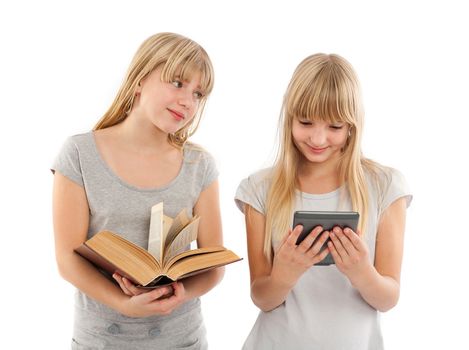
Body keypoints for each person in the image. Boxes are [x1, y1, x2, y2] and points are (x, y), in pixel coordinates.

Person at [52, 32, 223, 349]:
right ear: (139, 79)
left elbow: (212, 267)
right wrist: (123, 303)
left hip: (182, 339)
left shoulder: (199, 164)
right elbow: (67, 257)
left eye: (199, 94)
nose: (188, 101)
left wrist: (183, 291)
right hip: (102, 339)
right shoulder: (79, 153)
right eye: (177, 82)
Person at [235, 53, 412, 349]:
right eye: (306, 122)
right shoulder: (260, 189)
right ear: (289, 117)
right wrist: (284, 275)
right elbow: (262, 298)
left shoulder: (385, 186)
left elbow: (388, 298)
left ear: (352, 126)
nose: (318, 139)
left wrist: (362, 273)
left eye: (334, 127)